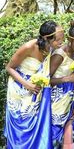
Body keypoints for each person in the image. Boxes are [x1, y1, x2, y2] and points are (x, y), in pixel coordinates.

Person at [4, 20, 64, 148]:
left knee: (36, 131)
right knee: (21, 133)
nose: (61, 42)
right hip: (20, 93)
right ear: (46, 38)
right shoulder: (29, 47)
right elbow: (9, 68)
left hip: (37, 94)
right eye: (58, 39)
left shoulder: (51, 49)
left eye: (62, 39)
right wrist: (28, 85)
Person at [50, 18, 74, 147]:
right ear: (70, 40)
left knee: (65, 139)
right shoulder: (59, 55)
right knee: (53, 136)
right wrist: (66, 79)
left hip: (68, 102)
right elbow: (45, 80)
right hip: (55, 102)